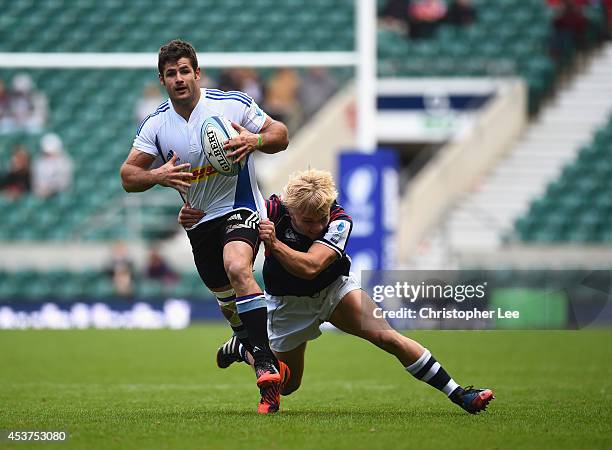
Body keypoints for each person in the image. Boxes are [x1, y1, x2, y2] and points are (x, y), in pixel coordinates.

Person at [179, 169, 494, 414]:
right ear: (291, 210)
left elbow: (312, 266)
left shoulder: (340, 220)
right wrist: (198, 218)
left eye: (321, 219)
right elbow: (229, 219)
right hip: (288, 306)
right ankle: (243, 349)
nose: (317, 226)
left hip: (334, 290)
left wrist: (274, 244)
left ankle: (459, 393)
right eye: (308, 221)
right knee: (288, 385)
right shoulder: (272, 209)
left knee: (388, 337)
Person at [119, 39, 290, 413]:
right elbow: (128, 175)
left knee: (237, 267)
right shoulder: (157, 124)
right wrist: (159, 175)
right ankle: (246, 346)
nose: (179, 79)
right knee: (226, 301)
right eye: (170, 74)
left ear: (197, 73)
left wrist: (255, 139)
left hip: (240, 207)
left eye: (184, 71)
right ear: (162, 80)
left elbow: (281, 134)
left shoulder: (231, 104)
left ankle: (264, 369)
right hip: (198, 222)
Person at [32, 133, 73, 198]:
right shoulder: (39, 162)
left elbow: (65, 183)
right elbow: (37, 184)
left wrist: (51, 187)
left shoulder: (64, 162)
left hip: (60, 194)